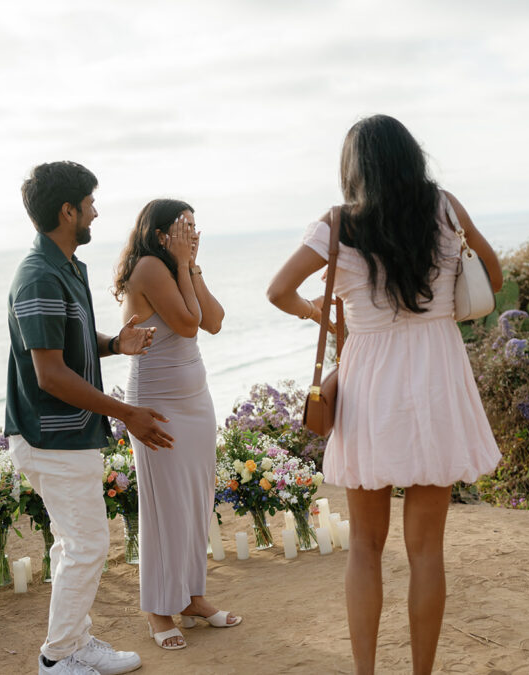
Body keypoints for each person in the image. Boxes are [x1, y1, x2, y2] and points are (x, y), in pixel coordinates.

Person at [266, 115, 503, 675]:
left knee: (366, 547)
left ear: (354, 168)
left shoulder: (337, 223)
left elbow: (278, 289)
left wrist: (327, 317)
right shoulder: (444, 207)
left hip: (370, 377)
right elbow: (490, 271)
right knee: (427, 551)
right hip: (437, 372)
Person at [5, 161, 175, 675]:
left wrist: (114, 344)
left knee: (75, 543)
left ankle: (73, 641)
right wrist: (127, 414)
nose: (95, 211)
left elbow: (68, 347)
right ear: (67, 210)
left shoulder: (65, 267)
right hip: (51, 436)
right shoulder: (39, 275)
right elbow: (50, 375)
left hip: (68, 436)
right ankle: (58, 659)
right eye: (90, 203)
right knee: (88, 545)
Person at [112, 199, 241, 651]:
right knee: (165, 507)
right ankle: (158, 609)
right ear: (160, 233)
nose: (192, 232)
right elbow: (188, 325)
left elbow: (216, 321)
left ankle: (192, 598)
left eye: (194, 225)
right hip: (158, 404)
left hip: (196, 403)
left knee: (195, 502)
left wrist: (192, 267)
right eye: (183, 226)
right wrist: (184, 266)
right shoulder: (149, 267)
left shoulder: (178, 267)